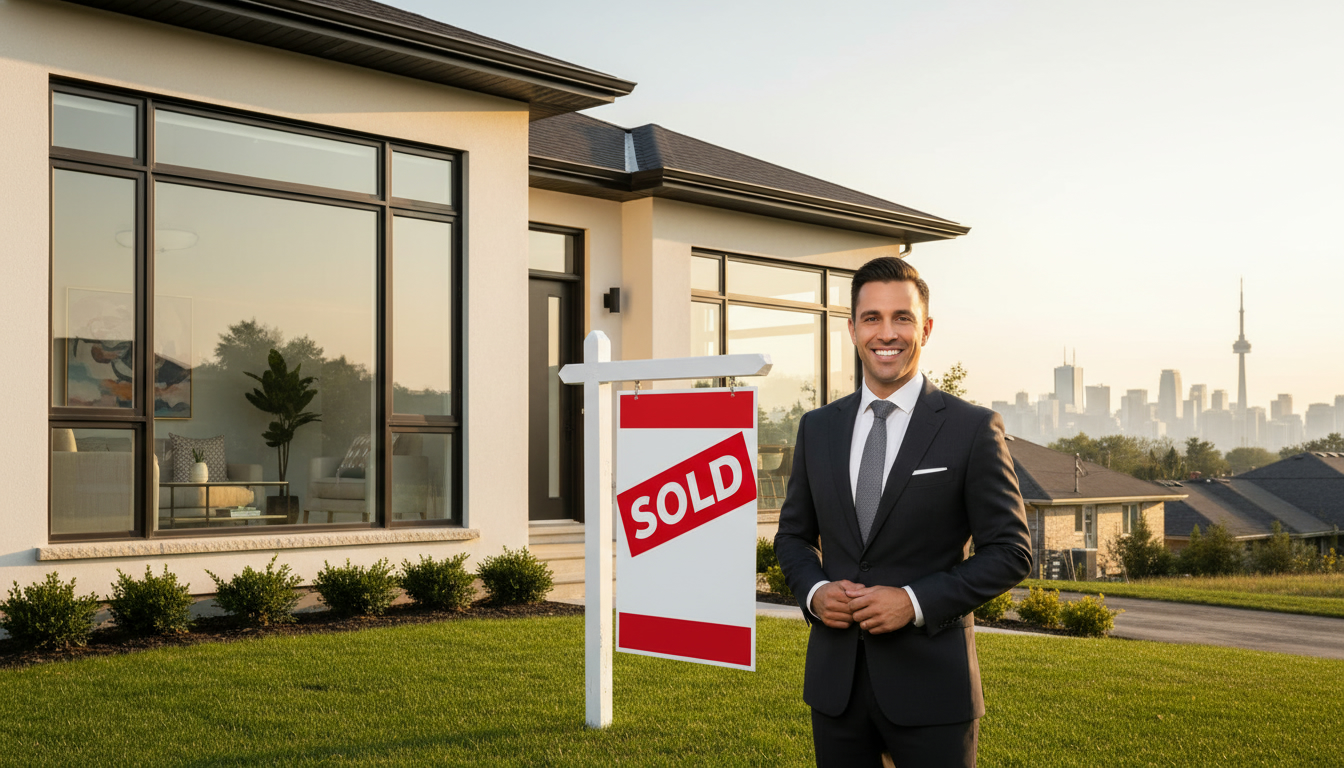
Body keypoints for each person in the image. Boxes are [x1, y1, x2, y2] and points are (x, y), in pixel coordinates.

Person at [774, 256, 1031, 767]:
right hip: (835, 687)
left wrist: (913, 602)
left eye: (902, 318)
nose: (886, 333)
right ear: (852, 329)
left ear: (926, 329)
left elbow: (1011, 552)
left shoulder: (971, 428)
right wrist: (815, 592)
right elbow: (793, 536)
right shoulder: (818, 427)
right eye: (872, 318)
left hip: (933, 689)